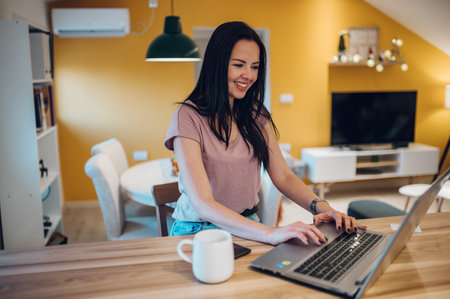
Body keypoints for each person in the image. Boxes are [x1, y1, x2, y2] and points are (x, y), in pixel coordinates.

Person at [164, 21, 365, 245]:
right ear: (216, 64)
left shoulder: (255, 114)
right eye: (239, 65)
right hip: (198, 229)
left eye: (255, 66)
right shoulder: (187, 116)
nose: (248, 75)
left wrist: (323, 207)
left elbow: (283, 176)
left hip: (249, 223)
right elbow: (203, 203)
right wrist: (269, 232)